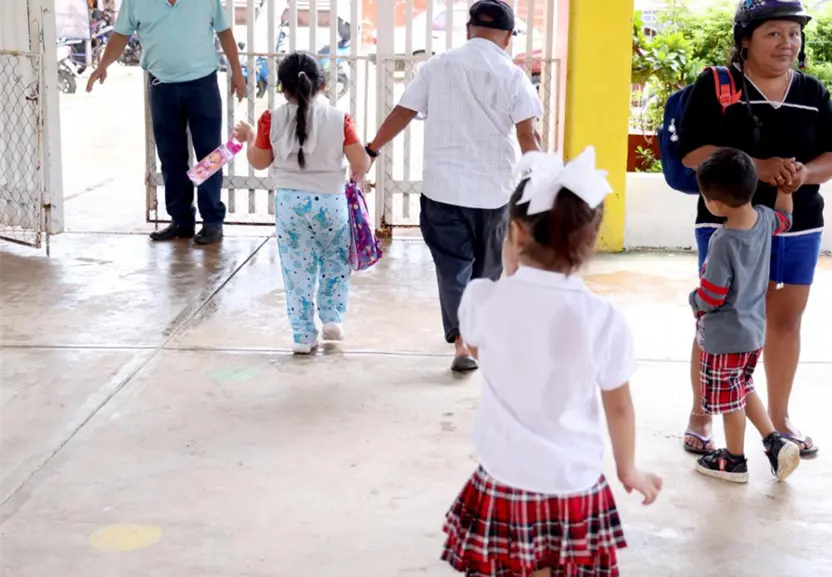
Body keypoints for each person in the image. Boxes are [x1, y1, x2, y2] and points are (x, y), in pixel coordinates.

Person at [440, 147, 662, 577]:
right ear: (589, 243)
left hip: (506, 478)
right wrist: (628, 468)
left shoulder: (482, 301)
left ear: (516, 234)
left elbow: (484, 352)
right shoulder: (603, 319)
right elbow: (619, 406)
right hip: (575, 483)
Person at [675, 0, 832, 458]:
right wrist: (760, 167)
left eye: (794, 33)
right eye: (774, 33)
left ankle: (780, 417)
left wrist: (803, 175)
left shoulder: (812, 91)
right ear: (745, 40)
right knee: (718, 319)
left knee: (786, 322)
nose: (787, 43)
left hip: (798, 225)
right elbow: (693, 152)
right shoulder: (718, 86)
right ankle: (701, 414)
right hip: (726, 224)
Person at [365, 0, 543, 372]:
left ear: (468, 29)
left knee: (453, 267)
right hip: (494, 191)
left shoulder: (437, 66)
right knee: (487, 269)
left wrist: (371, 149)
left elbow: (403, 112)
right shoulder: (512, 75)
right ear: (508, 38)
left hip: (443, 189)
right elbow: (528, 135)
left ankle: (463, 343)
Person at [234, 52, 371, 354]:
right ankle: (332, 318)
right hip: (331, 203)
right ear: (324, 84)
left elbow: (259, 162)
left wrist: (250, 137)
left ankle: (302, 335)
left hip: (290, 206)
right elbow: (361, 163)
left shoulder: (271, 119)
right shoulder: (339, 119)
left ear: (282, 89)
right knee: (335, 261)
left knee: (296, 268)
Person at [87, 0, 246, 245]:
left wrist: (237, 71)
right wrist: (102, 65)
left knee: (210, 156)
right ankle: (181, 221)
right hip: (162, 85)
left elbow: (224, 31)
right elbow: (120, 35)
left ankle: (212, 222)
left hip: (202, 84)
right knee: (171, 155)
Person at [688, 147, 801, 484]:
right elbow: (786, 219)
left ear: (715, 204)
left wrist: (694, 301)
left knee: (729, 402)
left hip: (725, 336)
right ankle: (774, 441)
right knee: (742, 386)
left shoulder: (723, 241)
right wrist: (785, 191)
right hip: (753, 332)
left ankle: (734, 460)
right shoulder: (764, 219)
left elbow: (713, 295)